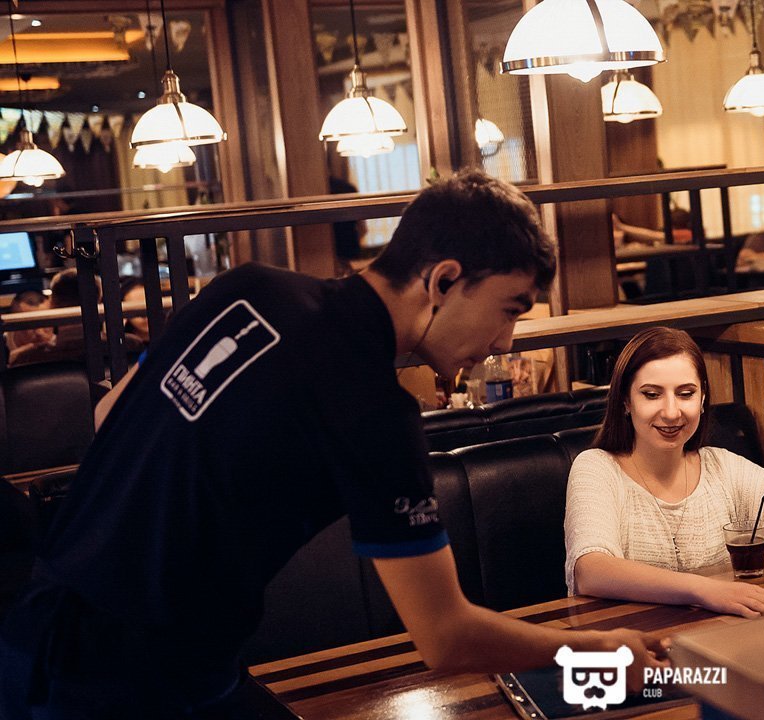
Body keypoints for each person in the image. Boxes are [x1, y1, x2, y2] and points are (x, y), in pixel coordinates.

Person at [0, 171, 663, 719]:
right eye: (510, 308)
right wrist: (600, 652)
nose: (505, 341)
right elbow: (446, 637)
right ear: (442, 280)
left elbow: (110, 411)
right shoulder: (373, 411)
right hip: (129, 685)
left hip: (37, 626)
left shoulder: (247, 288)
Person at [565, 327, 764, 619]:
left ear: (703, 398)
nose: (671, 412)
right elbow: (590, 570)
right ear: (626, 401)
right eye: (652, 395)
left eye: (686, 394)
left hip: (719, 635)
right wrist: (705, 590)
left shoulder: (722, 468)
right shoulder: (597, 467)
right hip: (631, 638)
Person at [8, 269, 102, 368]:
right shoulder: (107, 347)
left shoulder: (22, 357)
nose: (39, 332)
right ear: (99, 301)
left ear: (52, 304)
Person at [4, 290, 51, 357]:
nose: (39, 333)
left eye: (45, 323)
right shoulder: (3, 345)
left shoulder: (61, 342)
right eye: (31, 325)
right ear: (15, 325)